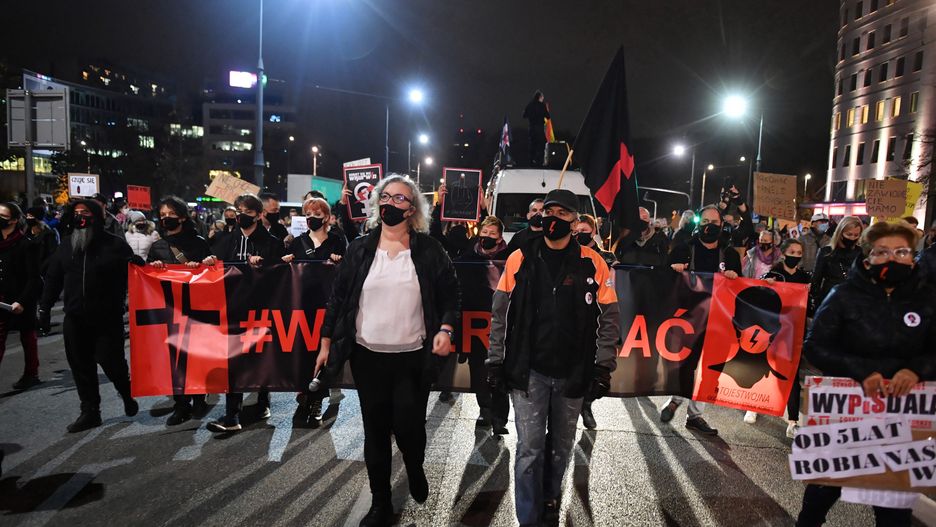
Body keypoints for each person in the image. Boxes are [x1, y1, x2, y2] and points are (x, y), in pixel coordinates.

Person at [315, 175, 459, 527]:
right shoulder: (359, 249)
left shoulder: (429, 250)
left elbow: (450, 295)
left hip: (412, 357)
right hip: (367, 357)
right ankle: (381, 504)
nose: (391, 203)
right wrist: (326, 342)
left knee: (410, 427)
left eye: (400, 199)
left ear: (412, 210)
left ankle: (414, 464)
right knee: (375, 430)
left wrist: (445, 328)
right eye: (386, 196)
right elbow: (338, 299)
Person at [486, 188, 619, 527]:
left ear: (576, 222)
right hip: (528, 371)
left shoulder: (594, 262)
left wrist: (603, 366)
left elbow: (611, 318)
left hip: (573, 375)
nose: (554, 219)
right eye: (550, 212)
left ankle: (550, 500)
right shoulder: (521, 256)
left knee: (560, 449)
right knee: (529, 450)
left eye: (563, 214)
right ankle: (529, 520)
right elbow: (499, 313)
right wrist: (495, 361)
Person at [796, 220, 936, 527]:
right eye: (882, 251)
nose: (892, 259)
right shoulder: (843, 295)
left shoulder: (927, 300)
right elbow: (815, 346)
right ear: (868, 256)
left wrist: (916, 370)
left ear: (913, 257)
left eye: (901, 251)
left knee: (893, 514)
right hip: (845, 413)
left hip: (901, 420)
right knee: (819, 499)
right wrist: (861, 371)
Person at [38, 199, 138, 433]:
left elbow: (134, 275)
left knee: (111, 362)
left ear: (96, 216)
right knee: (81, 366)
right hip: (75, 319)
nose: (80, 216)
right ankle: (90, 411)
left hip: (106, 318)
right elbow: (53, 279)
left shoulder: (115, 245)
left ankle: (125, 392)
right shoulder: (66, 247)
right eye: (76, 212)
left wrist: (138, 265)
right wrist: (44, 308)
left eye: (85, 212)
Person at [203, 193, 286, 433]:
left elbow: (281, 274)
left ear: (259, 215)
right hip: (232, 308)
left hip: (262, 309)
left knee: (261, 356)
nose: (241, 216)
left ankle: (263, 401)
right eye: (238, 210)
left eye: (247, 212)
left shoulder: (271, 242)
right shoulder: (226, 240)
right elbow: (215, 263)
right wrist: (210, 261)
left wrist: (266, 265)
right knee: (234, 360)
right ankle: (232, 414)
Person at [661, 205, 743, 436]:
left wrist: (735, 278)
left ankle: (696, 415)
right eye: (705, 221)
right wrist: (674, 269)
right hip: (690, 318)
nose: (709, 226)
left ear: (721, 225)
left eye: (714, 222)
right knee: (686, 362)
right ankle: (676, 398)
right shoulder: (683, 249)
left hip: (720, 320)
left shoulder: (730, 255)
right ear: (698, 224)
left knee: (711, 369)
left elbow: (742, 287)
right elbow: (663, 278)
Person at [146, 196, 214, 426]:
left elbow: (210, 273)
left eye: (171, 215)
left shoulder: (198, 243)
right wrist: (154, 269)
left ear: (183, 217)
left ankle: (199, 397)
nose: (166, 219)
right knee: (175, 359)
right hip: (170, 309)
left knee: (195, 356)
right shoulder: (158, 247)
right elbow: (147, 279)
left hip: (195, 309)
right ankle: (181, 404)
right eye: (163, 215)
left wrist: (203, 265)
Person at [744, 238, 812, 433]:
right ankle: (753, 406)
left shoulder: (804, 277)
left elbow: (809, 306)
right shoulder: (773, 274)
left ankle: (792, 420)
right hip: (771, 329)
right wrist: (766, 285)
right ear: (783, 253)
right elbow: (759, 299)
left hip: (794, 331)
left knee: (792, 373)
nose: (795, 256)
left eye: (799, 253)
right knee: (762, 366)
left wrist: (809, 293)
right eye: (792, 252)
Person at [0, 202, 42, 390]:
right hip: (1, 299)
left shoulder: (26, 245)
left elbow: (34, 278)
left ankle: (31, 373)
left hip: (21, 299)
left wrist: (22, 301)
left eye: (3, 216)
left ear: (15, 220)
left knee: (28, 337)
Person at [809, 216, 862, 315]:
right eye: (849, 234)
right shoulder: (826, 252)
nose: (852, 238)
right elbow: (816, 280)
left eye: (856, 235)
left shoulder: (861, 253)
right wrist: (817, 302)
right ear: (840, 233)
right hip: (829, 300)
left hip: (854, 302)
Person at [283, 197, 347, 263]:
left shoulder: (336, 241)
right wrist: (286, 259)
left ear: (326, 217)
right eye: (308, 214)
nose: (311, 217)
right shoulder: (297, 242)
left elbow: (344, 267)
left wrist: (338, 260)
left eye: (317, 214)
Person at [24, 206, 60, 273]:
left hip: (41, 270)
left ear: (37, 218)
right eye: (27, 216)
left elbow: (52, 253)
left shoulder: (48, 234)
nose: (28, 218)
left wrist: (43, 268)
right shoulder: (26, 232)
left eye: (31, 216)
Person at [522, 90, 550, 167]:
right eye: (542, 97)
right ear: (540, 97)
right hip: (539, 128)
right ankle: (539, 161)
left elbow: (524, 115)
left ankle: (531, 161)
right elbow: (548, 116)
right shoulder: (542, 105)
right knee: (542, 144)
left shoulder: (530, 105)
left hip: (531, 128)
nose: (543, 99)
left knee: (532, 144)